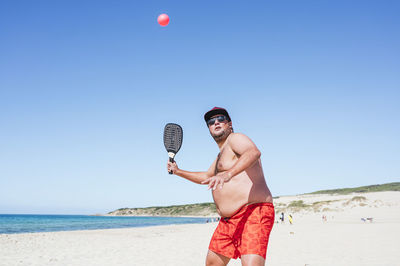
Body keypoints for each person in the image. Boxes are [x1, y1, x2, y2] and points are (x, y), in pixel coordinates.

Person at [167, 107, 274, 266]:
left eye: (221, 119)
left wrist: (228, 173)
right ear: (209, 129)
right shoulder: (220, 155)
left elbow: (253, 152)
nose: (216, 122)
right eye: (211, 121)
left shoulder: (236, 138)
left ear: (230, 124)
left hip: (253, 211)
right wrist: (178, 171)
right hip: (227, 221)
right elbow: (205, 177)